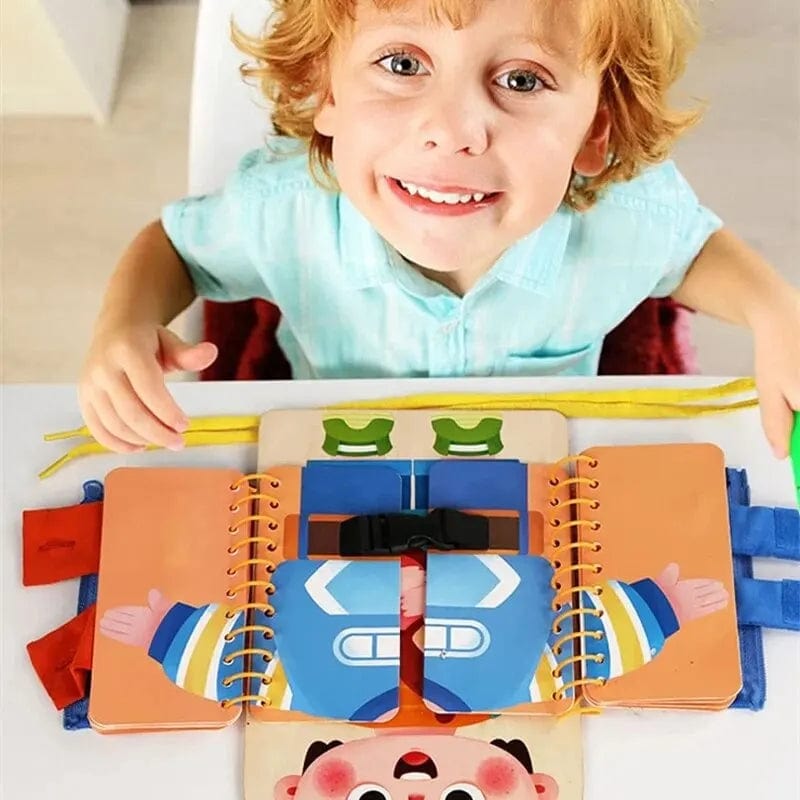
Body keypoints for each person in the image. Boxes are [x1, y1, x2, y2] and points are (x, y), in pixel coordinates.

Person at [78, 0, 800, 458]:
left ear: (593, 132)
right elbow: (175, 248)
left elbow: (691, 252)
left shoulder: (626, 216)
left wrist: (777, 312)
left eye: (522, 80)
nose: (453, 131)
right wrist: (123, 324)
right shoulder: (282, 210)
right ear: (325, 91)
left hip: (543, 462)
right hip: (344, 449)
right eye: (402, 64)